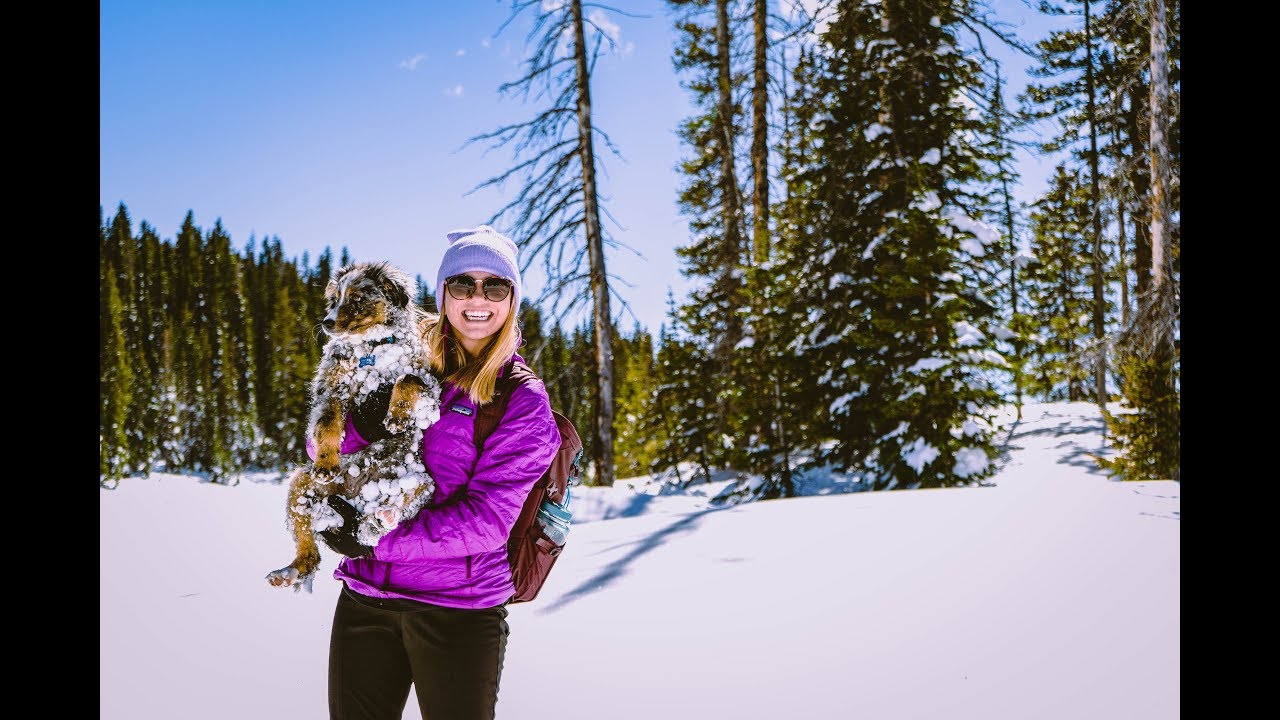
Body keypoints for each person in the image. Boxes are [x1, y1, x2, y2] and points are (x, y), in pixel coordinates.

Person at [309, 225, 561, 720]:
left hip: (459, 612)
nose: (478, 299)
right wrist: (355, 420)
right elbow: (331, 448)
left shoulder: (521, 399)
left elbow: (487, 521)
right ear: (443, 292)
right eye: (463, 284)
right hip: (366, 599)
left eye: (495, 286)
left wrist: (373, 539)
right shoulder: (398, 359)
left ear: (512, 299)